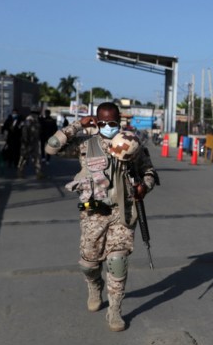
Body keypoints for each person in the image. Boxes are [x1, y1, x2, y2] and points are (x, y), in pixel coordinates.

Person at [44, 101, 158, 332]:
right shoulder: (85, 143)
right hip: (93, 213)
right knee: (88, 262)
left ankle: (115, 310)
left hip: (123, 212)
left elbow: (150, 171)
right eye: (102, 122)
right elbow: (51, 147)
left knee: (117, 261)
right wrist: (77, 125)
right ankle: (94, 285)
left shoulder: (131, 144)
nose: (107, 126)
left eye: (112, 122)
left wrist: (144, 186)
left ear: (120, 121)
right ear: (96, 120)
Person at [16, 106, 43, 179]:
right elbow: (25, 130)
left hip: (35, 142)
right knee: (24, 157)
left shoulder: (36, 119)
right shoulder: (29, 119)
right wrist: (25, 140)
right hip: (28, 142)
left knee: (37, 157)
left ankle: (38, 173)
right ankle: (20, 172)